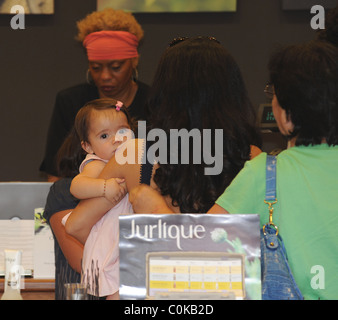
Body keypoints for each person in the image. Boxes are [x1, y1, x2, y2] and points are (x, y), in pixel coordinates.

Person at [65, 36, 262, 245]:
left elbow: (77, 226)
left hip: (153, 275)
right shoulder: (253, 157)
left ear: (165, 92)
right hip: (227, 275)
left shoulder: (133, 154)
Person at [208, 40, 338, 300]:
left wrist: (153, 205)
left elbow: (206, 246)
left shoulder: (264, 173)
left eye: (275, 94)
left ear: (288, 114)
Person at [40, 8, 150, 181]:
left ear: (134, 61)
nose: (105, 76)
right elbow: (55, 175)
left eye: (116, 67)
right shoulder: (70, 102)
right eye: (96, 68)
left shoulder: (154, 102)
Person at [63, 98, 135, 300]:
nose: (117, 139)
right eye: (104, 135)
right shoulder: (97, 163)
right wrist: (104, 187)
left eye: (123, 132)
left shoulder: (133, 159)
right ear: (87, 146)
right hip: (107, 243)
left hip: (122, 239)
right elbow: (76, 185)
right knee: (117, 293)